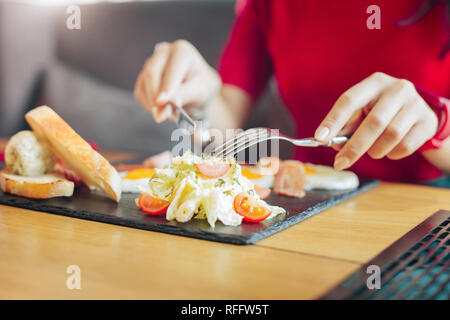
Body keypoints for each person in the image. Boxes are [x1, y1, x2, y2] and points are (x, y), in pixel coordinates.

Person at [134, 0, 450, 185]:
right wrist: (201, 100)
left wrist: (437, 124)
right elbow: (226, 117)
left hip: (428, 206)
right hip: (307, 195)